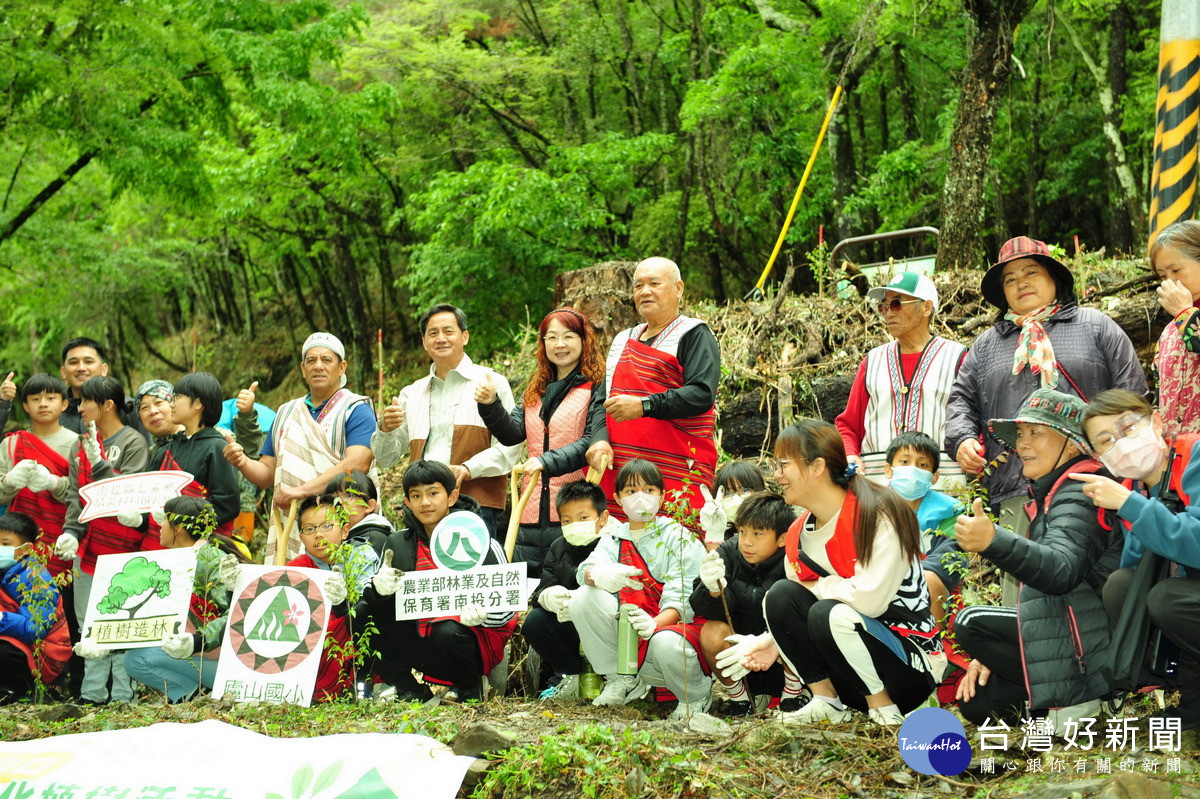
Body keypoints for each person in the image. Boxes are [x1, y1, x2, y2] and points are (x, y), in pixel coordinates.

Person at [943, 236, 1146, 603]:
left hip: (1095, 483)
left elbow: (1132, 397)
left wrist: (1128, 462)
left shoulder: (1096, 326)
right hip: (1015, 487)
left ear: (1054, 277)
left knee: (1096, 589)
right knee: (1023, 598)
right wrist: (962, 440)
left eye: (1031, 272)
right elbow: (960, 401)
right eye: (1009, 278)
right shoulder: (986, 346)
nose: (1020, 283)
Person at [717, 420, 945, 728]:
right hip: (853, 673)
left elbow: (869, 600)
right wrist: (772, 641)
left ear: (817, 467)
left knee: (829, 612)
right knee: (781, 597)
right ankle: (827, 700)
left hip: (911, 669)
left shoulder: (878, 512)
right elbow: (802, 597)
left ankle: (884, 711)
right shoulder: (798, 534)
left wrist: (822, 585)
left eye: (783, 464)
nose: (776, 475)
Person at [952, 389, 1123, 726]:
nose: (1022, 444)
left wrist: (993, 541)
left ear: (1072, 444)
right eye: (1020, 434)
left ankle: (1086, 699)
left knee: (971, 623)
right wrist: (994, 654)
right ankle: (1060, 706)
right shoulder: (1051, 493)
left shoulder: (1081, 491)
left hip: (1090, 648)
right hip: (1067, 637)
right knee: (978, 704)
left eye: (1036, 432)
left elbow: (1060, 572)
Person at [1072, 388, 1200, 729]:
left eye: (1129, 427)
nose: (1122, 442)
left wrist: (1131, 505)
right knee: (1122, 587)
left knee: (1167, 598)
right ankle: (1192, 697)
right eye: (1106, 440)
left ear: (1156, 423)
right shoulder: (1132, 490)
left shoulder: (1194, 456)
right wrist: (1132, 503)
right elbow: (1138, 569)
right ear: (1101, 459)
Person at [363, 460, 517, 702]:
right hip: (419, 639)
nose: (425, 502)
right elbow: (381, 607)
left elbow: (507, 603)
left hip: (468, 641)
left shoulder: (478, 539)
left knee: (446, 629)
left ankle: (468, 688)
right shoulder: (397, 543)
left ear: (452, 496)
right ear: (407, 503)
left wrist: (484, 614)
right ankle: (411, 690)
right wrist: (379, 591)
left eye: (433, 493)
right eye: (416, 496)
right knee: (364, 612)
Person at [585, 258, 721, 520]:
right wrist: (599, 439)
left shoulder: (693, 333)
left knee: (673, 547)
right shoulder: (622, 339)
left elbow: (702, 394)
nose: (644, 291)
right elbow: (602, 401)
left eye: (654, 283)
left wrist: (644, 405)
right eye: (638, 286)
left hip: (674, 470)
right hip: (621, 471)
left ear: (678, 288)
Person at [224, 332, 377, 563]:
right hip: (292, 522)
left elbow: (357, 464)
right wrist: (242, 461)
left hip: (342, 523)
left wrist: (302, 491)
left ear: (342, 367)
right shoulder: (286, 412)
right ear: (303, 368)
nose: (318, 366)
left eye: (327, 360)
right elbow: (267, 474)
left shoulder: (355, 409)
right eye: (311, 360)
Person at [475, 307, 606, 573]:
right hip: (529, 513)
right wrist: (490, 404)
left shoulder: (596, 386)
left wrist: (546, 461)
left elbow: (590, 441)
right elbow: (512, 433)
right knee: (524, 593)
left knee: (566, 594)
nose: (560, 345)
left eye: (568, 336)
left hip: (574, 514)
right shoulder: (536, 390)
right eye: (552, 337)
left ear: (584, 340)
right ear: (543, 343)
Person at [572, 458, 706, 715]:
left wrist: (654, 624)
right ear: (618, 498)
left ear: (662, 496)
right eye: (631, 491)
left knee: (665, 642)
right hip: (628, 641)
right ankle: (621, 678)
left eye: (649, 490)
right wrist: (599, 574)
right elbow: (583, 572)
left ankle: (695, 697)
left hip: (667, 636)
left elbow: (684, 597)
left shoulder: (677, 536)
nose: (640, 498)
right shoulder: (613, 538)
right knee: (583, 597)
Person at [373, 305, 520, 538]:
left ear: (465, 336)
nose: (441, 338)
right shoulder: (411, 393)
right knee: (423, 572)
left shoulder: (491, 382)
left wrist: (468, 469)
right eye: (433, 333)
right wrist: (385, 430)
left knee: (472, 575)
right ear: (424, 342)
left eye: (448, 331)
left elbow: (511, 447)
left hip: (475, 503)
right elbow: (386, 458)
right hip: (423, 508)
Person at [55, 376, 150, 705]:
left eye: (85, 402)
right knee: (90, 623)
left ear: (107, 405)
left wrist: (99, 463)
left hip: (124, 550)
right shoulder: (78, 444)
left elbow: (128, 492)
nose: (79, 408)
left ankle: (125, 696)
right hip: (87, 550)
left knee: (123, 620)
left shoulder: (134, 442)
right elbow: (74, 497)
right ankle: (93, 694)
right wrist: (70, 531)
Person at [836, 272, 967, 488]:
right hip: (879, 490)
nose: (888, 312)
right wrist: (850, 455)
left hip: (942, 491)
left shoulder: (957, 357)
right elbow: (848, 425)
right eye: (884, 306)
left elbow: (973, 420)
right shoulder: (872, 361)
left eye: (896, 303)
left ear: (926, 308)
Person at [123, 497, 243, 703]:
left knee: (136, 660)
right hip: (201, 654)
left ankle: (198, 694)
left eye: (164, 520)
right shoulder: (181, 557)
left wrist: (198, 641)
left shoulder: (209, 559)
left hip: (219, 658)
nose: (159, 526)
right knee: (133, 658)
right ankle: (194, 696)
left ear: (177, 528)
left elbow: (235, 611)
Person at [691, 492, 791, 717]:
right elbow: (700, 606)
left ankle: (794, 695)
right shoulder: (728, 551)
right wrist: (713, 590)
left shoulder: (793, 555)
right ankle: (740, 699)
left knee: (794, 621)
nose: (747, 541)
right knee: (712, 631)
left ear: (782, 538)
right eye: (742, 531)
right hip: (739, 664)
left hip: (785, 661)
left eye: (758, 534)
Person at [524, 480, 611, 700]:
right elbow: (545, 584)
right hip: (569, 625)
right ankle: (569, 675)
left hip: (607, 626)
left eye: (583, 518)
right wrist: (547, 597)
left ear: (603, 518)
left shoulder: (615, 543)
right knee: (535, 621)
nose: (575, 525)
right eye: (567, 520)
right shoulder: (558, 547)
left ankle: (615, 678)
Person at [882, 432, 967, 624]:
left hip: (931, 587)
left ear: (934, 477)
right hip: (882, 581)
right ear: (888, 469)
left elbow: (953, 555)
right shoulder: (873, 507)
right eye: (904, 462)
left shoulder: (947, 511)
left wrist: (917, 574)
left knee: (929, 580)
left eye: (922, 465)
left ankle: (933, 646)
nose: (912, 470)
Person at [145, 373, 240, 545]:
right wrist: (138, 519)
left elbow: (227, 505)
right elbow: (146, 498)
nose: (171, 404)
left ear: (197, 403)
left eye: (178, 397)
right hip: (157, 547)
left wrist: (178, 517)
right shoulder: (165, 450)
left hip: (199, 552)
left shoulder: (217, 448)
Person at [0, 375, 77, 579]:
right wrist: (9, 482)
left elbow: (83, 493)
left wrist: (55, 483)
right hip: (19, 540)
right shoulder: (12, 444)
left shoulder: (77, 444)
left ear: (64, 404)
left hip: (63, 539)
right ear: (25, 405)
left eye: (50, 398)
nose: (43, 404)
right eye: (35, 399)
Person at [0, 511, 70, 703]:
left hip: (42, 653)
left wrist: (1, 619)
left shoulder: (37, 580)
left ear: (26, 549)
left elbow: (35, 628)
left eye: (5, 544)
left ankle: (15, 689)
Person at [1148, 220, 1200, 436]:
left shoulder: (1183, 314)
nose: (1169, 282)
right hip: (1177, 454)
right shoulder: (1171, 329)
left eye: (1176, 270)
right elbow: (1159, 392)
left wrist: (1184, 312)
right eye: (1162, 276)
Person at [697, 460, 768, 546]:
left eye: (745, 490)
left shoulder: (773, 531)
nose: (735, 498)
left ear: (763, 493)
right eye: (728, 493)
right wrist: (714, 535)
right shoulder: (724, 538)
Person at [325, 470, 392, 558]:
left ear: (369, 506)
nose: (339, 501)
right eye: (334, 497)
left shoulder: (373, 539)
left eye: (349, 495)